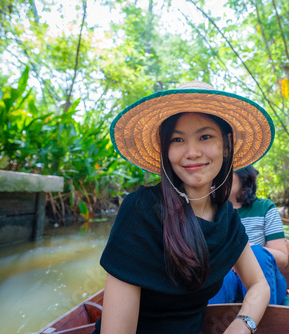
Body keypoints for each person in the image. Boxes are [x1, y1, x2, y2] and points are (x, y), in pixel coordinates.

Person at [93, 81, 276, 334]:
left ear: (226, 146)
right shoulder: (142, 209)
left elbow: (259, 285)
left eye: (205, 137)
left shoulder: (228, 219)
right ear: (166, 150)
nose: (192, 152)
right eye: (178, 139)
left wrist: (243, 324)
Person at [209, 166, 288, 305]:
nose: (219, 178)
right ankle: (212, 323)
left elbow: (282, 258)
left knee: (257, 253)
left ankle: (266, 324)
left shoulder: (265, 207)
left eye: (226, 172)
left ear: (244, 177)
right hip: (228, 284)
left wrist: (245, 250)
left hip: (266, 280)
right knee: (219, 272)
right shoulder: (208, 212)